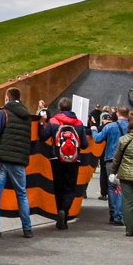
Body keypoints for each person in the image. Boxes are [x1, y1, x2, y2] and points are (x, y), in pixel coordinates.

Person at [0, 88, 34, 238]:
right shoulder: (27, 116)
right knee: (22, 194)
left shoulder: (3, 113)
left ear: (8, 98)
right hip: (19, 160)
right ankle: (27, 228)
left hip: (1, 158)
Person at [40, 97, 89, 230]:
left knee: (58, 187)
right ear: (71, 108)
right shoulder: (78, 123)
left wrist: (41, 123)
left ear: (59, 108)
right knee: (70, 188)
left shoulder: (53, 121)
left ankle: (59, 212)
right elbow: (85, 144)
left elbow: (43, 136)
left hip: (56, 158)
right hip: (73, 160)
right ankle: (65, 213)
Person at [93, 107, 129, 226]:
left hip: (111, 160)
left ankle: (113, 215)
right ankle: (119, 215)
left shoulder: (110, 126)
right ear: (128, 114)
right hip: (127, 160)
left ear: (117, 114)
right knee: (123, 187)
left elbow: (97, 139)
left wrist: (93, 129)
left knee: (112, 187)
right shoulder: (132, 127)